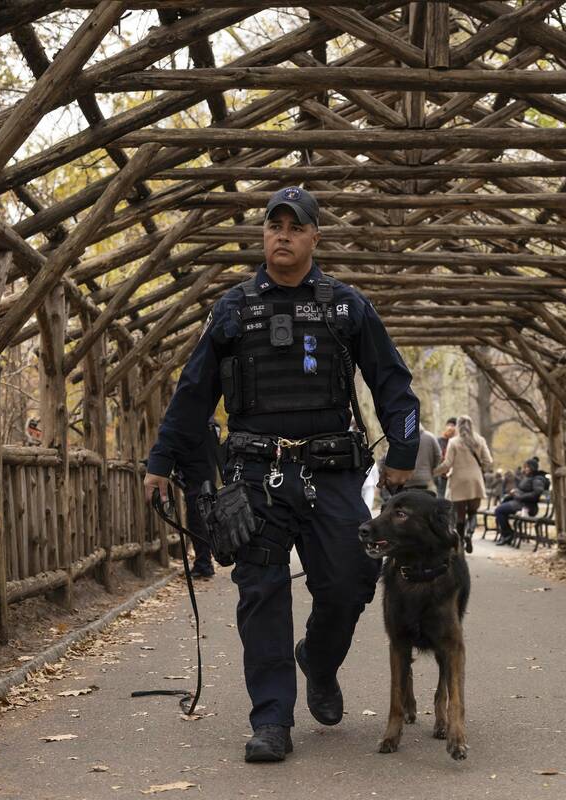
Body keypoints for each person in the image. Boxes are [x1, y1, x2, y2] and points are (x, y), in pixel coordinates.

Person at [142, 186, 419, 764]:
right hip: (254, 474)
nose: (283, 235)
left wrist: (403, 449)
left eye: (296, 227)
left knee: (349, 582)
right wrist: (161, 461)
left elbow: (392, 382)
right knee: (261, 593)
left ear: (315, 236)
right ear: (263, 235)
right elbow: (193, 394)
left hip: (332, 472)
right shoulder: (233, 310)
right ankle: (271, 720)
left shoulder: (347, 307)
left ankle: (318, 660)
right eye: (275, 225)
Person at [433, 415, 493, 553]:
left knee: (460, 516)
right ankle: (469, 535)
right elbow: (488, 461)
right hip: (475, 481)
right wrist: (480, 468)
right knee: (472, 513)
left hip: (458, 481)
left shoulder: (454, 442)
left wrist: (433, 472)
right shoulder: (480, 440)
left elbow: (447, 464)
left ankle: (460, 544)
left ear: (458, 426)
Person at [178, 418, 223, 579]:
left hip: (196, 478)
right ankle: (204, 562)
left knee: (197, 523)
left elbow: (184, 449)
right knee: (204, 521)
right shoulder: (213, 425)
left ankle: (204, 564)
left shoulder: (196, 424)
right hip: (207, 476)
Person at [494, 457, 550, 546]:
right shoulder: (528, 477)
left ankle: (508, 534)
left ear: (532, 468)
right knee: (500, 509)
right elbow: (523, 489)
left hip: (528, 506)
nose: (525, 469)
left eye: (527, 467)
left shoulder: (537, 479)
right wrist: (515, 491)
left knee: (499, 510)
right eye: (525, 467)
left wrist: (520, 496)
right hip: (520, 503)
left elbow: (536, 493)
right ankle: (507, 534)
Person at [435, 417, 456, 498]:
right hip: (442, 474)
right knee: (441, 495)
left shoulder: (457, 442)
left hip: (454, 475)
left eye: (453, 425)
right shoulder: (439, 440)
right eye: (449, 425)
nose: (450, 428)